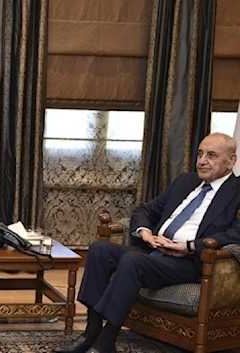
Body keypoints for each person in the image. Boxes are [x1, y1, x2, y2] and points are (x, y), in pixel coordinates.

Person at [53, 133, 240, 353]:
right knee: (99, 249)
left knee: (133, 261)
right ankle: (91, 332)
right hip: (152, 250)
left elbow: (236, 233)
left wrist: (189, 246)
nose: (202, 161)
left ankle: (106, 342)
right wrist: (145, 233)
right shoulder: (186, 182)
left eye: (211, 155)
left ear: (231, 161)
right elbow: (145, 210)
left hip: (187, 261)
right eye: (199, 154)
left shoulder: (236, 192)